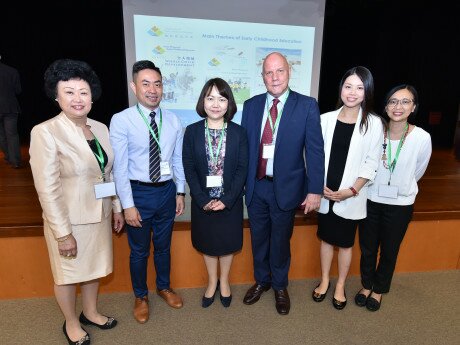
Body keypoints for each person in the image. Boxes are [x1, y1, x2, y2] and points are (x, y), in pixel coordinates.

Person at [29, 59, 124, 345]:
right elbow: (47, 188)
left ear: (92, 95)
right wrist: (63, 232)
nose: (77, 99)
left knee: (93, 267)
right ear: (56, 96)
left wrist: (116, 207)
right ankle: (71, 322)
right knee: (68, 275)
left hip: (99, 213)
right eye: (69, 92)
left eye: (83, 92)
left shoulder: (100, 128)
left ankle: (91, 312)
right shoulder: (45, 132)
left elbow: (108, 171)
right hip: (69, 220)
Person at [241, 52, 325, 315]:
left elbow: (315, 151)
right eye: (269, 72)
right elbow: (246, 149)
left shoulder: (307, 105)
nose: (274, 77)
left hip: (286, 188)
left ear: (289, 73)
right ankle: (261, 281)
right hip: (256, 186)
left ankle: (279, 285)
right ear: (262, 76)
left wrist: (314, 190)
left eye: (279, 71)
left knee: (280, 240)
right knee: (258, 239)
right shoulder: (252, 105)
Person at [110, 60, 185, 324]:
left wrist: (180, 192)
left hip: (166, 192)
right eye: (145, 84)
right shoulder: (121, 120)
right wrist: (127, 205)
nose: (152, 89)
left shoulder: (175, 120)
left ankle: (163, 287)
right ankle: (140, 296)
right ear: (134, 86)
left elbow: (177, 160)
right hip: (138, 193)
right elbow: (119, 168)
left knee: (163, 247)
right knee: (139, 251)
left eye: (157, 83)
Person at [355, 85, 432, 311]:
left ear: (413, 107)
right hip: (370, 199)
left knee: (389, 250)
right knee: (368, 248)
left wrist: (401, 187)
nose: (398, 107)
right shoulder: (376, 132)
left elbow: (419, 171)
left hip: (400, 205)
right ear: (386, 105)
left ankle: (378, 289)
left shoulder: (421, 137)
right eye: (393, 101)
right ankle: (366, 285)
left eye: (405, 102)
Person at [312, 66, 383, 310]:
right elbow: (314, 155)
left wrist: (351, 191)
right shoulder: (325, 119)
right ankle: (324, 281)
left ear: (367, 92)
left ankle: (340, 284)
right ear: (341, 88)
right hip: (325, 192)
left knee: (345, 243)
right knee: (325, 240)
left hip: (350, 195)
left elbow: (372, 162)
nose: (352, 92)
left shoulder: (374, 124)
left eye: (359, 88)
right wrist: (316, 184)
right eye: (348, 86)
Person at [182, 78, 248, 308]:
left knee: (227, 244)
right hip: (204, 202)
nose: (216, 104)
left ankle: (225, 282)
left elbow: (242, 169)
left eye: (222, 98)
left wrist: (227, 200)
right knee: (208, 244)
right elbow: (188, 167)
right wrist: (202, 199)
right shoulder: (191, 131)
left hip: (230, 201)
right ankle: (212, 282)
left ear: (229, 102)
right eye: (210, 98)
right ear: (203, 101)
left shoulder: (239, 133)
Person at [0, 55, 22, 168]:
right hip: (10, 107)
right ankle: (15, 161)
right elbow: (18, 91)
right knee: (12, 135)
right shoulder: (12, 71)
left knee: (1, 135)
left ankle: (9, 157)